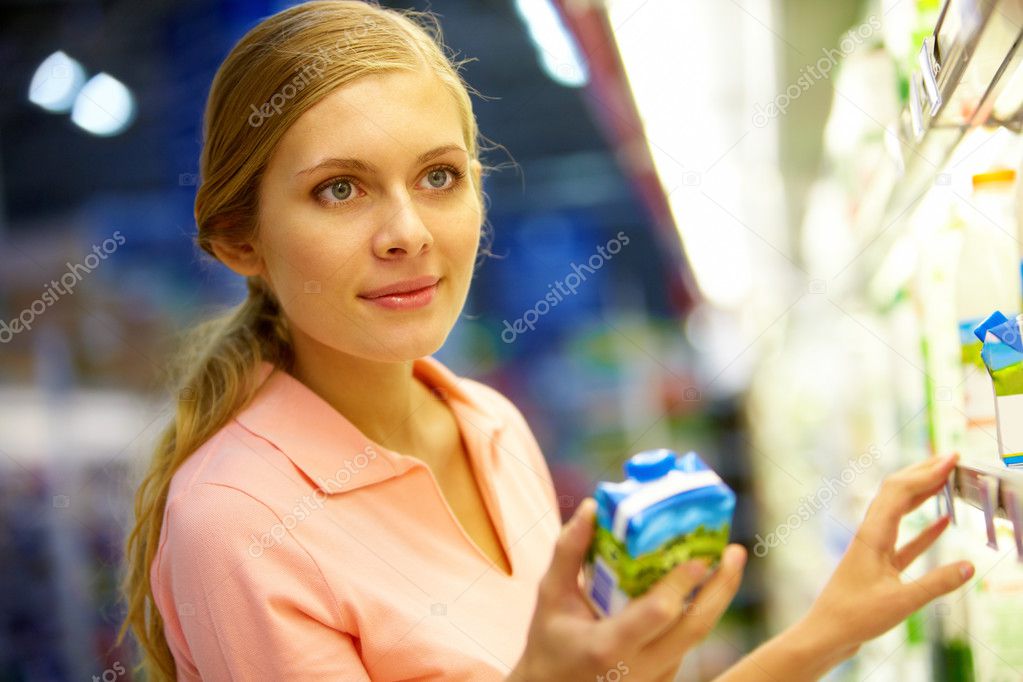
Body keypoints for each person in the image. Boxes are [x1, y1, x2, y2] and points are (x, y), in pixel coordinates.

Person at [119, 2, 975, 680]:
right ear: (240, 241)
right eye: (340, 189)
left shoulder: (488, 425)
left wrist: (827, 630)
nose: (408, 232)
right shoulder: (236, 525)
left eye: (439, 176)